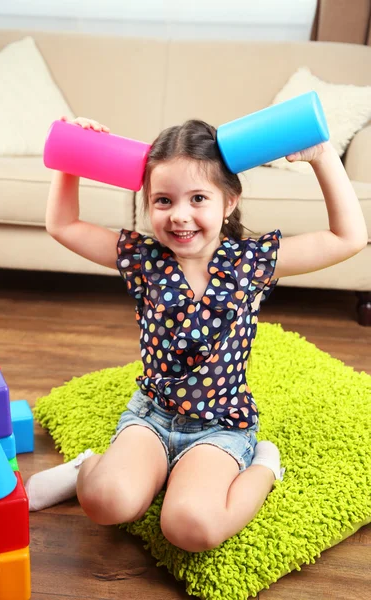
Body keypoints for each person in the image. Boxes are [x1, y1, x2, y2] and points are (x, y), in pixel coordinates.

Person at [25, 116, 368, 552]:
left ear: (229, 202)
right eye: (163, 200)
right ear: (148, 203)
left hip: (220, 425)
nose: (180, 216)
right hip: (152, 416)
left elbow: (349, 236)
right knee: (107, 503)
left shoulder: (252, 261)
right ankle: (85, 469)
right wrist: (70, 158)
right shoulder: (142, 258)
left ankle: (264, 466)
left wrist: (321, 157)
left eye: (198, 198)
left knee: (192, 529)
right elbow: (64, 226)